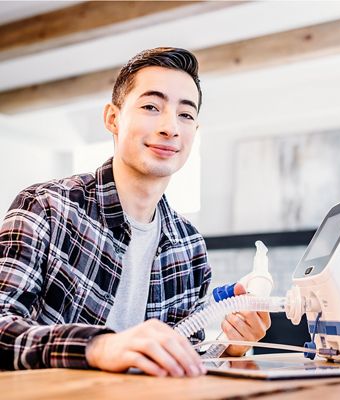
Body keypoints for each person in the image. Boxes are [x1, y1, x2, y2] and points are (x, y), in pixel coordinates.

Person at [0, 47, 270, 377]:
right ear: (113, 118)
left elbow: (184, 355)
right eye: (151, 107)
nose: (171, 127)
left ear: (194, 132)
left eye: (185, 115)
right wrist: (98, 346)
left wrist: (232, 344)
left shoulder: (189, 246)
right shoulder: (46, 207)